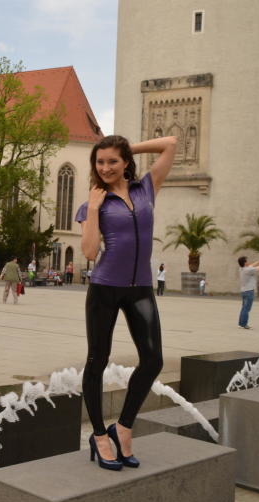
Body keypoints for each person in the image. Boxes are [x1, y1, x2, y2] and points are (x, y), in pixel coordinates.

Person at [77, 134, 177, 471]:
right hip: (105, 287)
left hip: (141, 289)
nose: (104, 167)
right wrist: (92, 209)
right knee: (97, 361)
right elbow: (90, 252)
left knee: (153, 360)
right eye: (99, 162)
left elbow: (171, 144)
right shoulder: (94, 201)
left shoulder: (145, 188)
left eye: (112, 161)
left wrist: (125, 147)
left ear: (125, 163)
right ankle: (100, 435)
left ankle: (124, 426)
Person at [237, 255, 259, 329]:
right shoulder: (248, 270)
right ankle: (244, 324)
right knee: (247, 309)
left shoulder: (242, 269)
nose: (248, 262)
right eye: (247, 260)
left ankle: (241, 323)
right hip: (249, 291)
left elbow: (252, 265)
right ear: (245, 263)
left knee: (244, 308)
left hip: (244, 291)